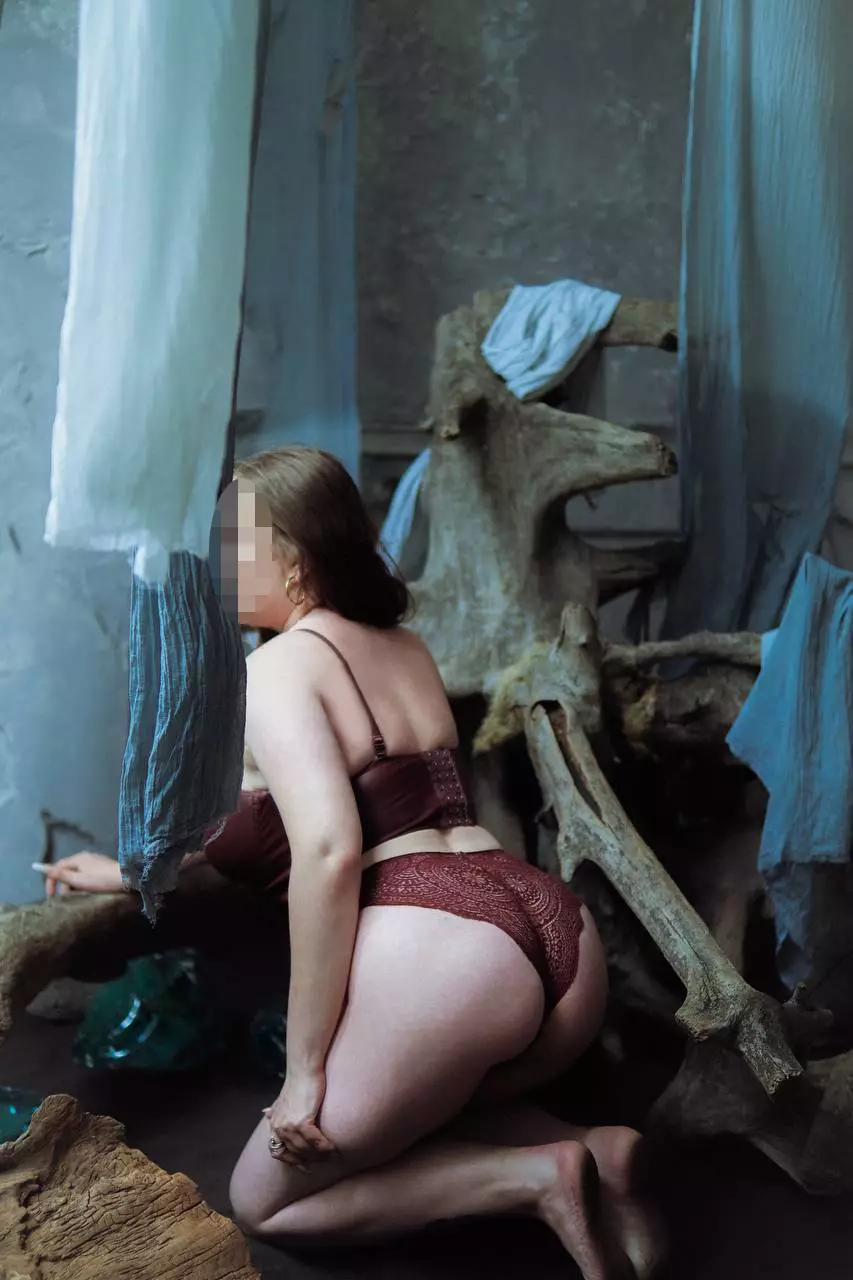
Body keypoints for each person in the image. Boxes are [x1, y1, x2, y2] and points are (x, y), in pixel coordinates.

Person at [37, 446, 664, 1279]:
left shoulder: (273, 670)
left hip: (447, 961)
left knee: (265, 1200)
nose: (216, 564)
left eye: (232, 543)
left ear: (292, 560)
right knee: (424, 1100)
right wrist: (135, 870)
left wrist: (302, 1073)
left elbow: (329, 850)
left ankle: (537, 1179)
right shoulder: (403, 646)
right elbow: (283, 817)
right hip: (552, 935)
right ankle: (596, 1150)